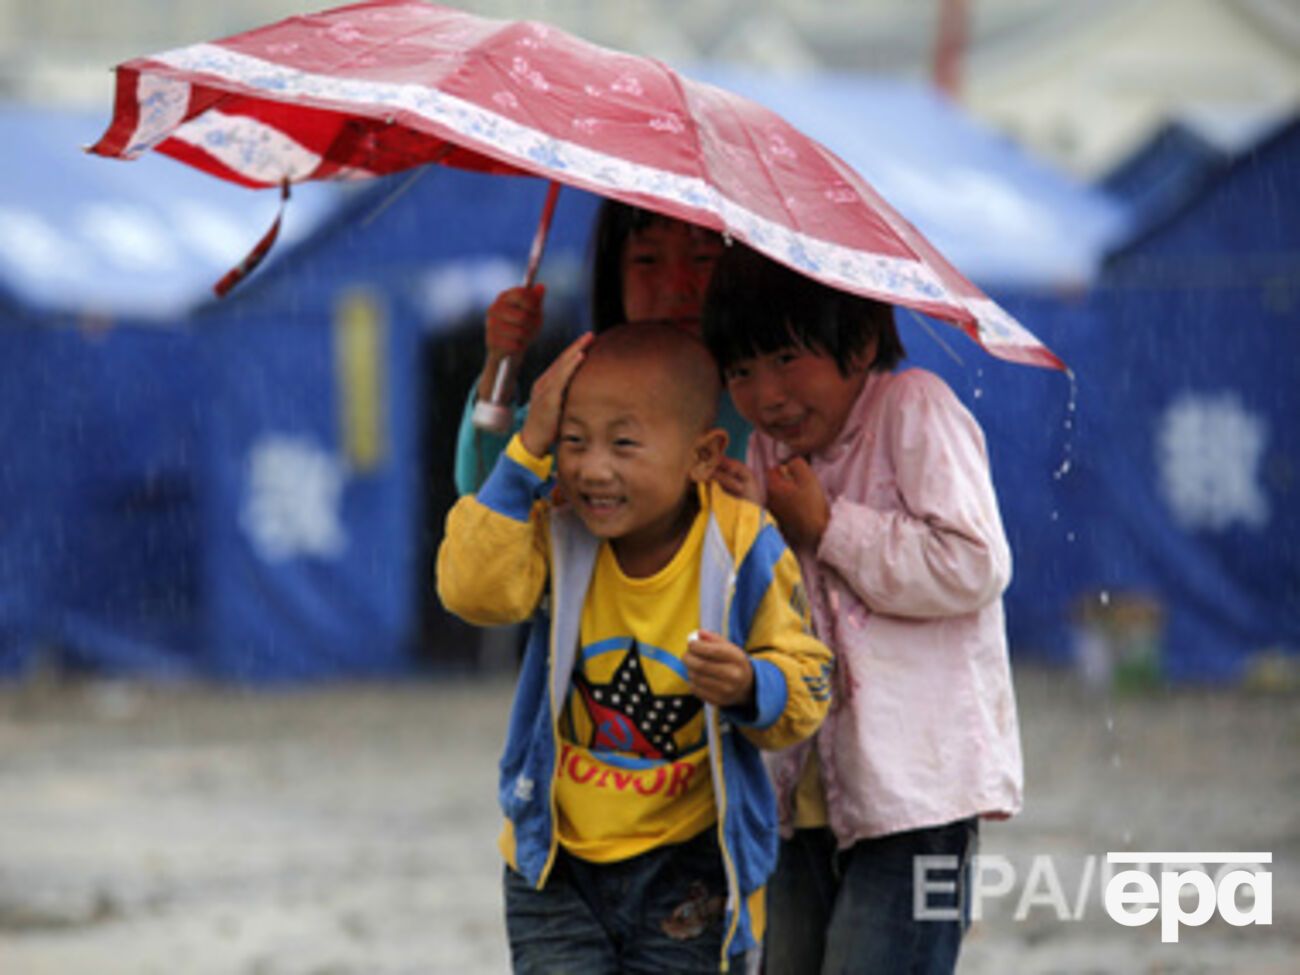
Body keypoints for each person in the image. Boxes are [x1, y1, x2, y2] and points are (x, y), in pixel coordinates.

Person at [437, 323, 832, 972]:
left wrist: (751, 684)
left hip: (693, 874)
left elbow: (811, 678)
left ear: (704, 455)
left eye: (623, 443)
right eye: (573, 440)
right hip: (556, 869)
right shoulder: (556, 524)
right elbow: (472, 591)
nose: (593, 468)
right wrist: (526, 451)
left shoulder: (740, 544)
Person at [701, 246, 1024, 975]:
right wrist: (748, 530)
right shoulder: (761, 452)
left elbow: (974, 563)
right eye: (742, 370)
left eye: (786, 356)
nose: (766, 392)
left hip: (919, 795)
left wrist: (829, 526)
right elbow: (768, 611)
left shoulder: (912, 408)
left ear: (862, 338)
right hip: (799, 787)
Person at [453, 199, 750, 496]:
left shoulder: (768, 407)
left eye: (702, 258)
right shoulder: (586, 394)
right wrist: (501, 363)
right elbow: (487, 489)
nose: (676, 286)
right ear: (613, 275)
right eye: (647, 260)